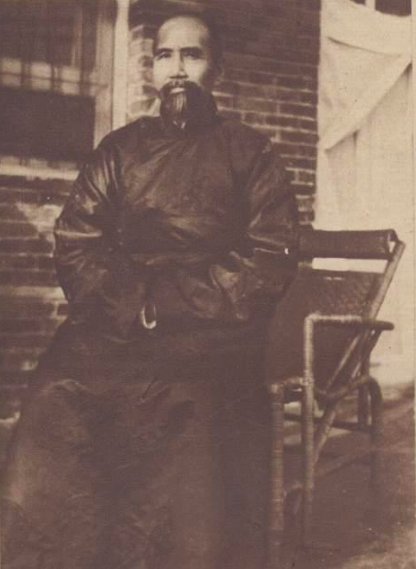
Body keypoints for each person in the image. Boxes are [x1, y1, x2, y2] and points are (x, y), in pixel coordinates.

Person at [1, 12, 298, 569]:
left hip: (212, 331)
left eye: (192, 54)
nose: (177, 69)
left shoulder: (252, 153)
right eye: (165, 56)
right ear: (152, 70)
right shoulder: (118, 151)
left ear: (218, 69)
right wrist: (130, 304)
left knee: (188, 403)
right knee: (56, 393)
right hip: (116, 320)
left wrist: (169, 303)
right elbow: (77, 243)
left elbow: (267, 259)